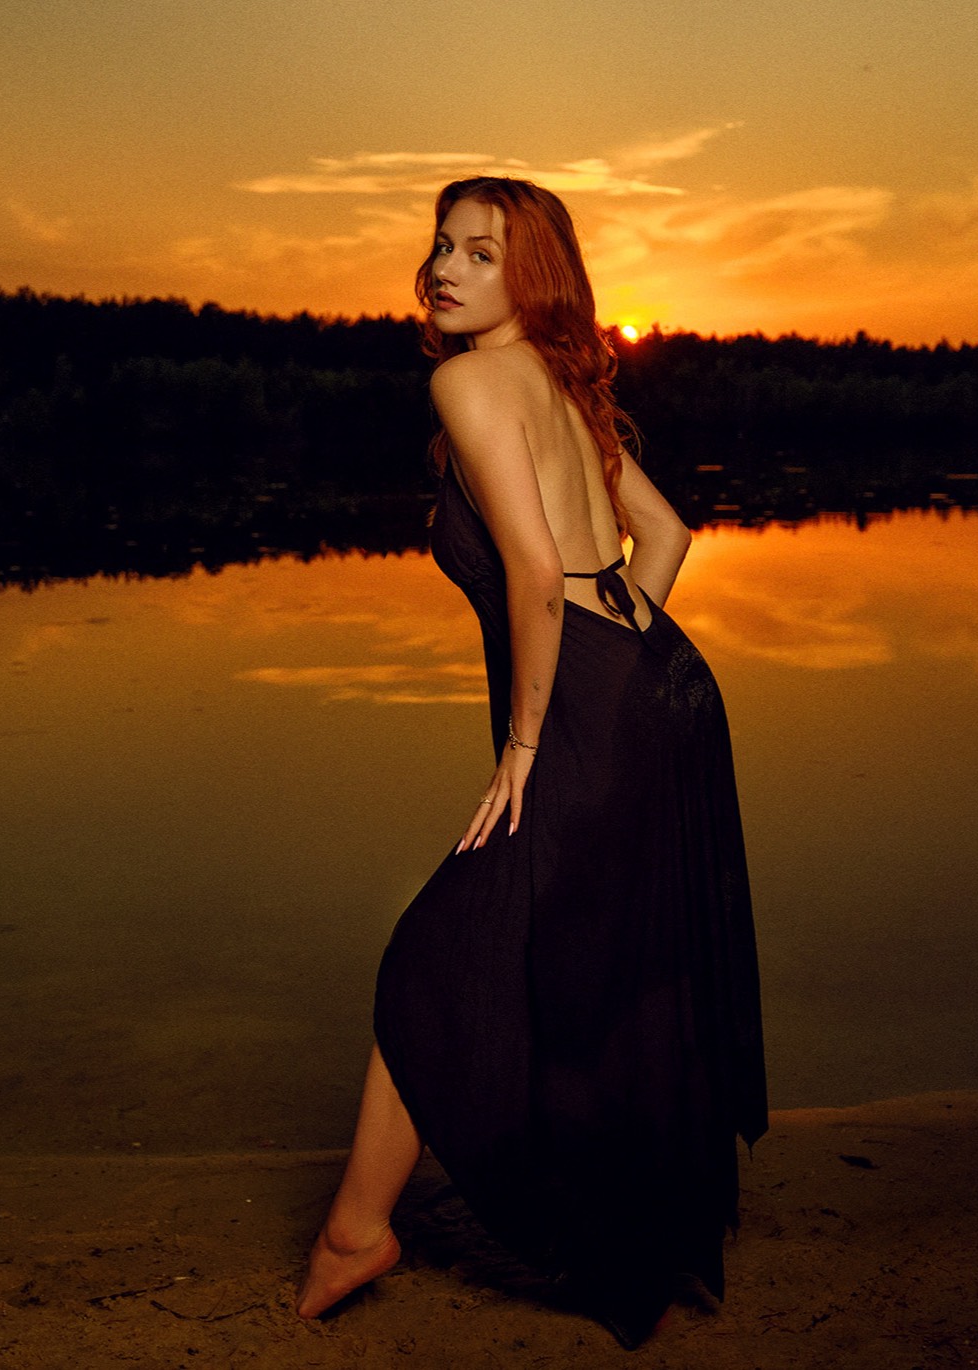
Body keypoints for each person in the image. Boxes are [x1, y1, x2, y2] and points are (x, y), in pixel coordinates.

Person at [296, 177, 767, 1349]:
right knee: (572, 953)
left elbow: (531, 574)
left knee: (440, 951)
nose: (444, 269)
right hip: (660, 686)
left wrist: (527, 739)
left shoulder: (466, 384)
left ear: (531, 274)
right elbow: (663, 537)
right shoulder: (559, 385)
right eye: (440, 247)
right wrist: (625, 667)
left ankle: (361, 1226)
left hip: (585, 712)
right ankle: (383, 1221)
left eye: (479, 252)